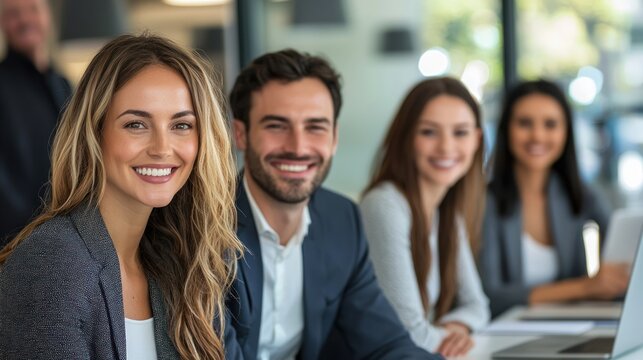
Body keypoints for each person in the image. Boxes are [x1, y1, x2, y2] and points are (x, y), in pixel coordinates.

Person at [0, 34, 242, 360]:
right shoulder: (53, 264)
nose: (161, 148)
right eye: (136, 124)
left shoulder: (179, 261)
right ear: (94, 134)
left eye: (181, 125)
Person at [224, 49, 442, 360]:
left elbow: (385, 344)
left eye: (315, 127)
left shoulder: (341, 220)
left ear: (334, 138)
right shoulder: (205, 226)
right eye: (276, 126)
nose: (298, 147)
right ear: (241, 135)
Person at [360, 77, 490, 357]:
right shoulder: (385, 205)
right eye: (429, 132)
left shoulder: (447, 213)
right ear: (406, 138)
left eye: (460, 132)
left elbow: (478, 305)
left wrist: (456, 327)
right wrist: (450, 335)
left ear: (477, 140)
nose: (446, 147)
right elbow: (409, 333)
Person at [479, 79, 629, 317]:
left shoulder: (581, 194)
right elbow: (490, 297)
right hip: (504, 331)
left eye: (550, 124)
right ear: (506, 129)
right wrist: (585, 287)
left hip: (571, 325)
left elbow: (622, 276)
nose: (537, 135)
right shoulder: (485, 202)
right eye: (524, 123)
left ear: (566, 132)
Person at [0, 0, 72, 245]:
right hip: (15, 240)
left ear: (48, 16)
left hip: (66, 232)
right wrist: (29, 230)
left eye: (32, 9)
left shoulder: (63, 85)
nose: (24, 20)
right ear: (2, 23)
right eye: (13, 14)